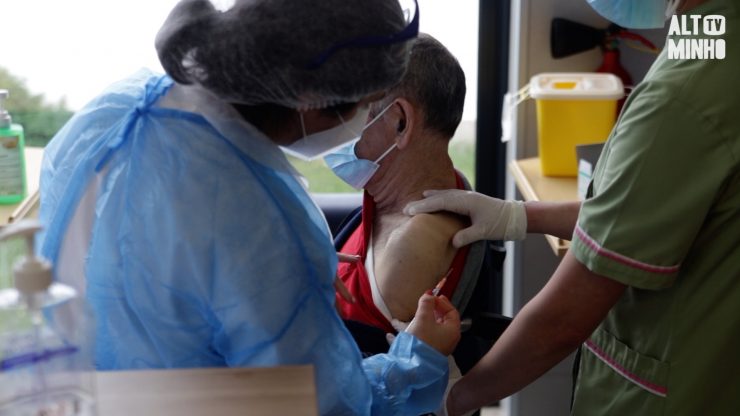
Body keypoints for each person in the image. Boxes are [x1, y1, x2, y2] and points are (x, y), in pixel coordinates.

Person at [38, 1, 462, 414]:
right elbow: (322, 402)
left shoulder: (115, 108)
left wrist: (259, 283)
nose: (360, 119)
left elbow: (125, 256)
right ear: (311, 99)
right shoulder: (264, 226)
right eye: (365, 105)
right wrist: (416, 359)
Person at [405, 0, 740, 414]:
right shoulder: (710, 39)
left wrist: (453, 398)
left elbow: (563, 320)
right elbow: (638, 213)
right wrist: (517, 216)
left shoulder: (685, 91)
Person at [326, 33, 509, 374]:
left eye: (350, 110)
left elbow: (350, 388)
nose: (335, 127)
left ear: (400, 122)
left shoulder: (408, 248)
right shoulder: (439, 183)